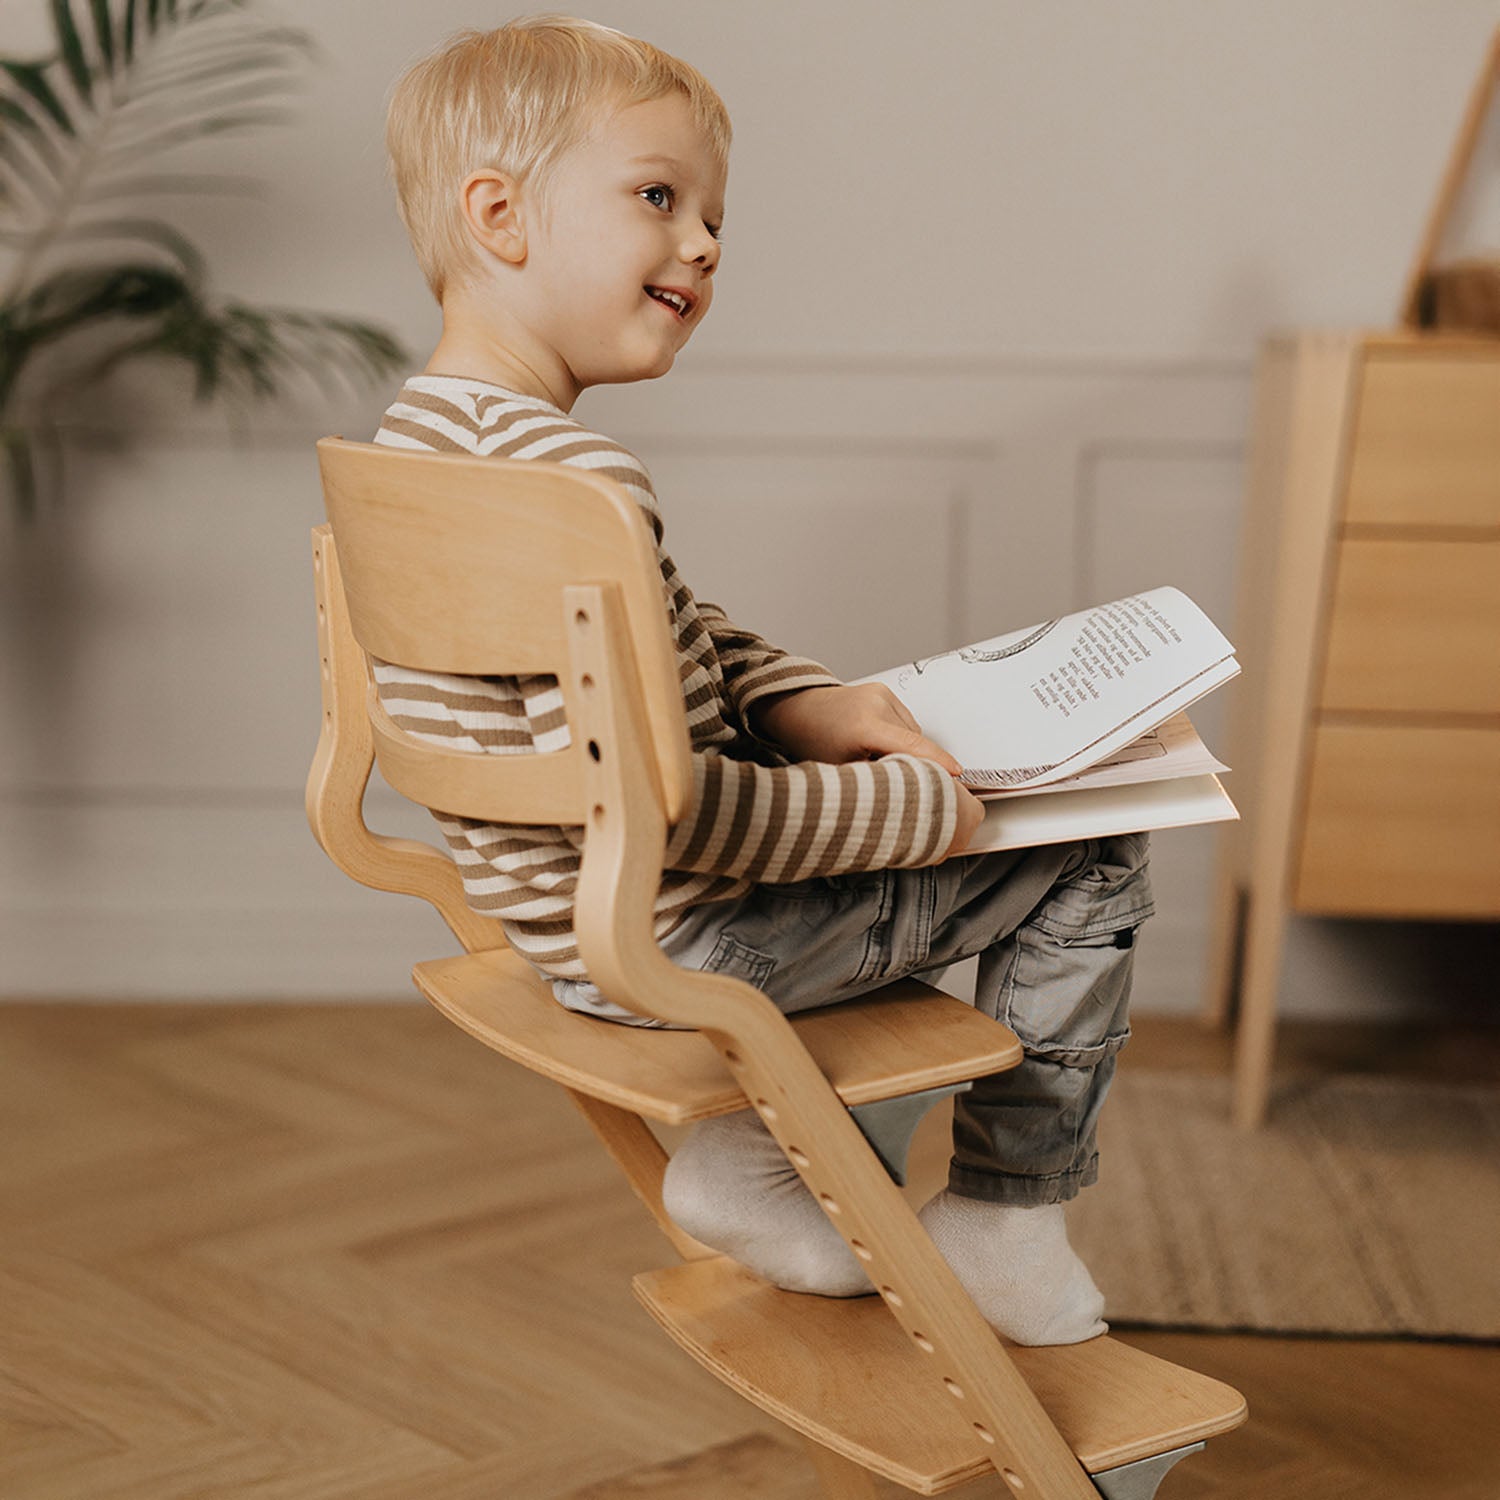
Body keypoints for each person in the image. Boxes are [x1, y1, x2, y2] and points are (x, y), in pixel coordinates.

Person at [376, 16, 1151, 1346]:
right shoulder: (578, 484)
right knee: (1094, 842)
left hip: (556, 923)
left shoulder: (416, 450)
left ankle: (764, 1156)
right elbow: (677, 810)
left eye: (712, 216)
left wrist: (805, 702)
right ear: (500, 217)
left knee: (903, 853)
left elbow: (675, 632)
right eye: (657, 197)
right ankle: (1005, 1217)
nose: (703, 243)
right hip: (678, 936)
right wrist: (923, 809)